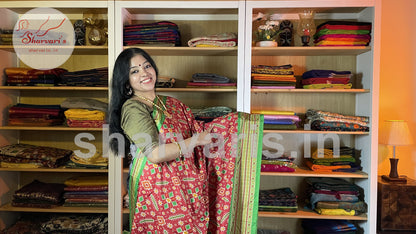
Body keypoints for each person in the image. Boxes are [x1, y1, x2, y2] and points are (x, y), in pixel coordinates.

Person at [109, 47, 263, 234]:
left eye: (147, 66)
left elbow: (197, 130)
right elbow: (155, 154)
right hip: (157, 192)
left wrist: (232, 126)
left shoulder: (171, 103)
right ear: (126, 81)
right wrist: (196, 140)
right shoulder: (133, 108)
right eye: (135, 71)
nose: (144, 73)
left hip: (188, 187)